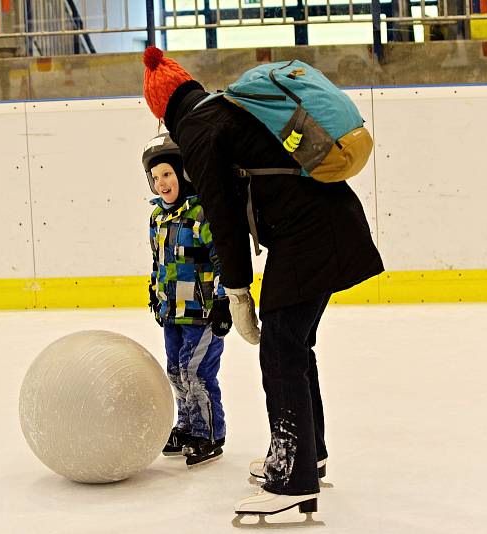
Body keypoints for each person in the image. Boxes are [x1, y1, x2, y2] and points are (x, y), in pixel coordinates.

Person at [141, 47, 384, 515]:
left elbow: (224, 217)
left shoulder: (197, 128)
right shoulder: (223, 109)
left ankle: (292, 480)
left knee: (280, 350)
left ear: (162, 108)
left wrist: (235, 292)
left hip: (309, 234)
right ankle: (308, 457)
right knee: (291, 343)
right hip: (327, 223)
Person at [143, 132, 233, 468]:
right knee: (176, 371)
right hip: (172, 311)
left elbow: (223, 257)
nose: (161, 183)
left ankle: (209, 433)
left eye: (167, 174)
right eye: (155, 178)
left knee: (196, 372)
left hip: (203, 311)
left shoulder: (201, 214)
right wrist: (156, 295)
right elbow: (159, 263)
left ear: (182, 174)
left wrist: (224, 300)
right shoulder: (157, 218)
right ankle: (187, 426)